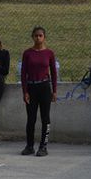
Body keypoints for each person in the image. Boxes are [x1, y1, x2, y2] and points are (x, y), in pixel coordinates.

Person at [20, 27, 57, 157]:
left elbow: (53, 72)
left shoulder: (49, 53)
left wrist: (54, 91)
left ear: (44, 37)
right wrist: (25, 91)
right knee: (31, 118)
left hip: (45, 87)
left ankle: (43, 146)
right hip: (31, 87)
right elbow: (23, 73)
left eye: (40, 35)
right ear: (32, 37)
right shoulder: (27, 53)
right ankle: (29, 146)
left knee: (45, 118)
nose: (38, 38)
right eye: (36, 35)